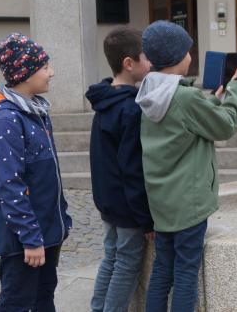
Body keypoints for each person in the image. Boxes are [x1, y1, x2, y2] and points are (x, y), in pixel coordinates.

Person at [136, 21, 237, 312]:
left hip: (162, 201)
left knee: (163, 270)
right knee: (186, 272)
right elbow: (225, 126)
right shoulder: (185, 97)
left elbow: (184, 122)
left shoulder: (149, 91)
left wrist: (214, 100)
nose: (191, 56)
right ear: (177, 57)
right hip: (189, 202)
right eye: (188, 50)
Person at [0, 33, 73, 312]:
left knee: (44, 297)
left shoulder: (35, 112)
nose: (51, 73)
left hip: (46, 232)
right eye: (45, 68)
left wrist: (61, 218)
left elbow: (47, 175)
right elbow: (10, 185)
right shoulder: (6, 120)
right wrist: (30, 239)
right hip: (24, 240)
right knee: (18, 303)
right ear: (25, 74)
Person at [86, 26, 155, 312]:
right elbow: (132, 169)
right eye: (146, 58)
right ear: (129, 63)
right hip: (127, 207)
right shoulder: (130, 110)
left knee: (111, 256)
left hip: (107, 200)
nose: (151, 63)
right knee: (126, 261)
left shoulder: (104, 100)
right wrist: (146, 219)